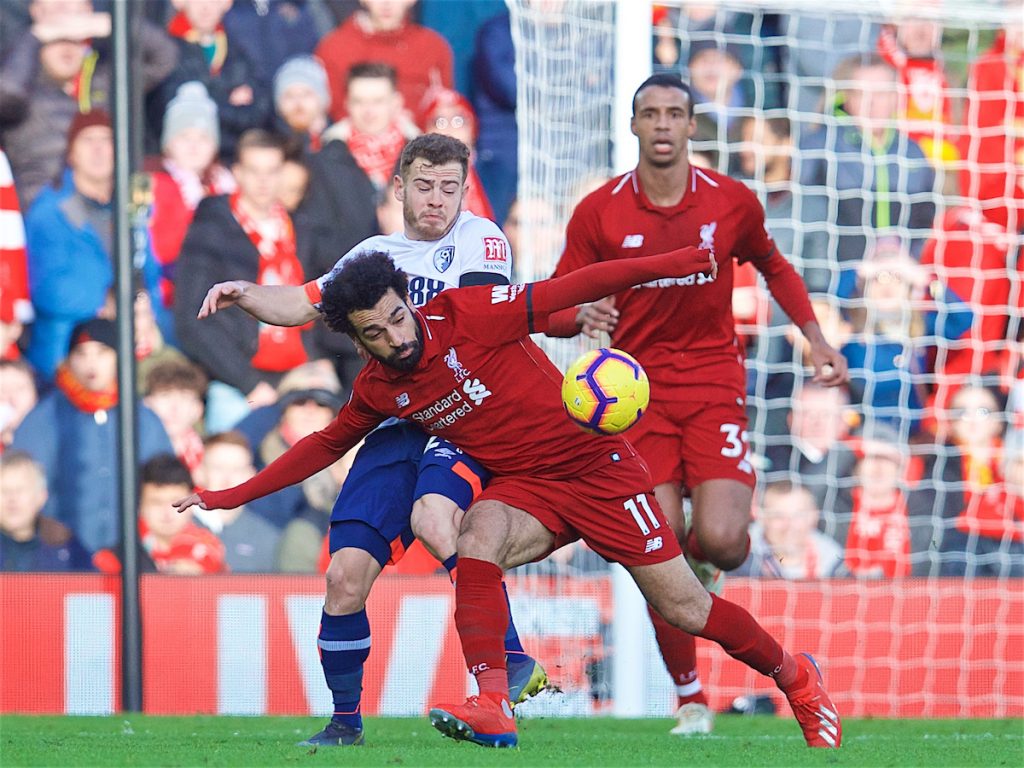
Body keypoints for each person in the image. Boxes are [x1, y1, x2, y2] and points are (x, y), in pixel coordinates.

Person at [174, 247, 843, 750]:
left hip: (597, 468)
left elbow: (570, 288)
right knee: (476, 538)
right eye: (375, 333)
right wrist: (227, 493)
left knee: (686, 606)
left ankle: (796, 676)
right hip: (528, 487)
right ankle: (494, 701)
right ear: (354, 338)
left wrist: (669, 264)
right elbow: (320, 446)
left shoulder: (468, 314)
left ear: (408, 301)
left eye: (397, 318)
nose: (396, 337)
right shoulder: (380, 389)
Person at [191, 133, 545, 747]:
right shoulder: (373, 256)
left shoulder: (481, 238)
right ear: (400, 186)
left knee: (438, 520)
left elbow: (480, 327)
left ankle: (508, 661)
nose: (436, 200)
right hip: (390, 422)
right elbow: (303, 303)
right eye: (425, 186)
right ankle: (345, 723)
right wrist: (245, 294)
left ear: (464, 191)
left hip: (459, 413)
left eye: (449, 188)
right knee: (344, 577)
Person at [546, 73, 848, 736]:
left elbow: (774, 265)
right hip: (634, 398)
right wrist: (577, 316)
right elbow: (557, 304)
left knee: (720, 541)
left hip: (712, 384)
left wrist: (817, 338)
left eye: (674, 113)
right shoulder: (599, 212)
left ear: (690, 126)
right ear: (632, 126)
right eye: (649, 113)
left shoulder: (731, 202)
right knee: (659, 550)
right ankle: (689, 698)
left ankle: (709, 560)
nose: (661, 124)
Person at [174, 129, 319, 432]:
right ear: (237, 173)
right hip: (239, 381)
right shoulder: (212, 229)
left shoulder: (298, 228)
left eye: (273, 171)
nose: (264, 182)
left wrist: (320, 361)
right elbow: (191, 318)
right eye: (254, 171)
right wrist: (248, 383)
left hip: (299, 372)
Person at [11, 318, 173, 553]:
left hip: (133, 550)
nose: (91, 363)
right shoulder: (45, 416)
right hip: (58, 552)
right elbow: (22, 479)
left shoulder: (142, 419)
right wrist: (44, 523)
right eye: (81, 353)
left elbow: (165, 482)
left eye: (102, 352)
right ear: (69, 359)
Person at [315, 0, 454, 126]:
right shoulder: (333, 48)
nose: (387, 3)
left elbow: (445, 110)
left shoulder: (433, 47)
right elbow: (329, 112)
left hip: (421, 145)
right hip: (350, 146)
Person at [0, 450, 94, 572]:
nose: (12, 499)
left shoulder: (65, 547)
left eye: (20, 490)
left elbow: (93, 586)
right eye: (4, 491)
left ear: (41, 496)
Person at [734, 481, 847, 579]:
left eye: (799, 515)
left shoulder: (836, 565)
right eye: (778, 516)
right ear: (762, 518)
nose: (789, 526)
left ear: (814, 516)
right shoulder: (737, 561)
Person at [139, 453, 227, 574]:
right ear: (140, 505)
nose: (167, 513)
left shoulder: (209, 546)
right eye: (157, 503)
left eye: (177, 502)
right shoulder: (122, 555)